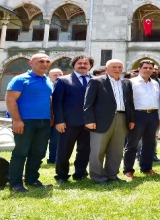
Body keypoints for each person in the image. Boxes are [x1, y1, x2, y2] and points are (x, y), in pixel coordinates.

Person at [6, 54, 54, 193]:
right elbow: (10, 100)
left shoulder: (47, 80)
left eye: (47, 62)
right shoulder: (20, 79)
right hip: (25, 121)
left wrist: (51, 117)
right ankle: (15, 183)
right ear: (31, 63)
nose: (44, 64)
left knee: (38, 153)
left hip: (44, 122)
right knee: (21, 152)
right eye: (41, 61)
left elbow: (49, 100)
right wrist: (17, 120)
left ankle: (32, 179)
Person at [84, 59, 135, 183]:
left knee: (117, 150)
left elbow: (130, 103)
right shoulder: (96, 81)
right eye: (113, 67)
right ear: (106, 69)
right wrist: (89, 120)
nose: (117, 69)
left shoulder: (126, 83)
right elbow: (88, 103)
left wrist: (131, 119)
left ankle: (112, 175)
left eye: (119, 67)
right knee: (98, 150)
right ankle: (98, 177)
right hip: (101, 120)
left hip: (122, 118)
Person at [52, 55, 93, 184]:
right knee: (64, 150)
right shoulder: (63, 80)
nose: (82, 65)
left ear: (90, 66)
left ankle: (80, 173)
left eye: (85, 63)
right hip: (68, 122)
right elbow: (57, 102)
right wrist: (59, 120)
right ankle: (62, 175)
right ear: (74, 65)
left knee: (84, 150)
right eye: (79, 63)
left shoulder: (95, 80)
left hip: (89, 123)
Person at [123, 60, 160, 181]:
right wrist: (130, 119)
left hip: (153, 115)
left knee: (149, 143)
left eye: (151, 68)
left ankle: (146, 168)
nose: (148, 70)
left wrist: (159, 118)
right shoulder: (131, 83)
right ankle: (128, 170)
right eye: (145, 68)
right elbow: (127, 102)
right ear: (139, 69)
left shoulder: (155, 83)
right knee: (132, 144)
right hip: (137, 115)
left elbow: (157, 101)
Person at [46, 68, 63, 164]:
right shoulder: (47, 86)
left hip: (58, 118)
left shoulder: (65, 85)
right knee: (42, 140)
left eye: (60, 74)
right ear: (50, 77)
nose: (58, 77)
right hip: (46, 117)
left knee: (55, 140)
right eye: (55, 75)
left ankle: (52, 158)